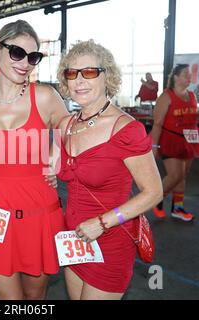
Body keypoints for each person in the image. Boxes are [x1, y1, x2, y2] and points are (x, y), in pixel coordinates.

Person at [0, 20, 69, 300]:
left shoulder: (45, 96)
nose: (26, 63)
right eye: (17, 53)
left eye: (33, 57)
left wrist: (54, 158)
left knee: (35, 297)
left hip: (40, 213)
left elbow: (69, 126)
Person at [56, 39, 162, 300]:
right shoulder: (66, 124)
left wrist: (102, 223)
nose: (79, 81)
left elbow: (154, 192)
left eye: (89, 72)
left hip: (110, 240)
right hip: (74, 240)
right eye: (72, 73)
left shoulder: (126, 129)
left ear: (107, 76)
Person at [151, 64, 198, 222]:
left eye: (190, 74)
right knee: (175, 175)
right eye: (186, 74)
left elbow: (193, 119)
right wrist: (154, 145)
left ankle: (177, 208)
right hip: (171, 139)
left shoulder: (192, 96)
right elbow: (157, 123)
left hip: (190, 139)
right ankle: (156, 199)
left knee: (182, 176)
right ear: (176, 77)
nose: (189, 77)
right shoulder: (166, 96)